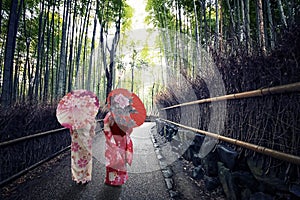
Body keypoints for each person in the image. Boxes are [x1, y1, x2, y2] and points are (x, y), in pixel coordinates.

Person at [103, 111, 133, 186]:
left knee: (113, 160)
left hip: (114, 139)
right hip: (121, 140)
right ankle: (119, 180)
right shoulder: (125, 114)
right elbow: (130, 128)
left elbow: (106, 129)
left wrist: (110, 139)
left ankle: (111, 180)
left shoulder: (109, 115)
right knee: (119, 160)